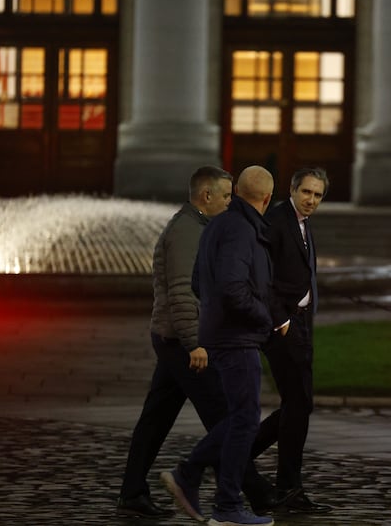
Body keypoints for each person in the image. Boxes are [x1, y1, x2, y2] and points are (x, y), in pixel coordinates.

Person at [161, 165, 276, 526]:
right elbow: (232, 288)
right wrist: (265, 316)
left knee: (240, 417)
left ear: (237, 191)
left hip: (223, 335)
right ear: (268, 199)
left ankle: (193, 475)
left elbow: (198, 283)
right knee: (244, 420)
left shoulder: (217, 226)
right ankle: (222, 503)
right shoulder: (242, 229)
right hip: (236, 337)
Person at [116, 166, 233, 518]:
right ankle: (235, 488)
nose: (230, 203)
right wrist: (195, 343)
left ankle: (132, 493)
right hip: (183, 343)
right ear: (206, 196)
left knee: (156, 419)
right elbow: (183, 293)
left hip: (174, 339)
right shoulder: (187, 232)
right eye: (226, 196)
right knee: (228, 416)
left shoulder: (198, 227)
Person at [252, 167, 332, 514]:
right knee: (299, 405)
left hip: (300, 324)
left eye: (317, 195)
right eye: (307, 193)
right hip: (284, 326)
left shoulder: (301, 222)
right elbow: (262, 276)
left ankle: (236, 457)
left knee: (298, 405)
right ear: (293, 190)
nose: (311, 200)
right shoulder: (277, 220)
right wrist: (281, 321)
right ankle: (287, 486)